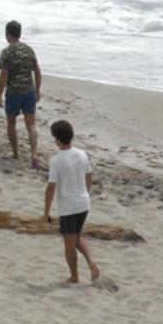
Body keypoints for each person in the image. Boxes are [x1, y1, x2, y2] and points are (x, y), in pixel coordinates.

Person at [43, 120, 101, 285]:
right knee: (76, 237)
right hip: (84, 202)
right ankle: (91, 263)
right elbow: (89, 179)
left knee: (69, 243)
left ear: (57, 140)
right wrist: (84, 194)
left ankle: (74, 277)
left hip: (69, 206)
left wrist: (46, 212)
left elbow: (51, 188)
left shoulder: (56, 160)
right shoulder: (82, 154)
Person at [0, 20, 42, 168]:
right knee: (31, 124)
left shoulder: (7, 52)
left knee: (11, 122)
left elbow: (4, 76)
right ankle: (33, 154)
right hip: (29, 91)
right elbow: (37, 71)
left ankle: (15, 153)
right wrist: (38, 89)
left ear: (8, 34)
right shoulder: (29, 50)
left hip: (14, 92)